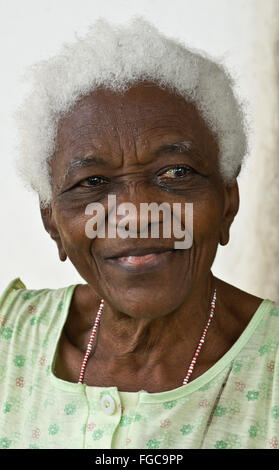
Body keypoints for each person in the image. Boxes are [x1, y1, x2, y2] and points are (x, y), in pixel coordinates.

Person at [0, 17, 278, 450]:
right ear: (52, 222)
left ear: (227, 202)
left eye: (176, 172)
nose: (135, 214)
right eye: (92, 182)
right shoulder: (9, 335)